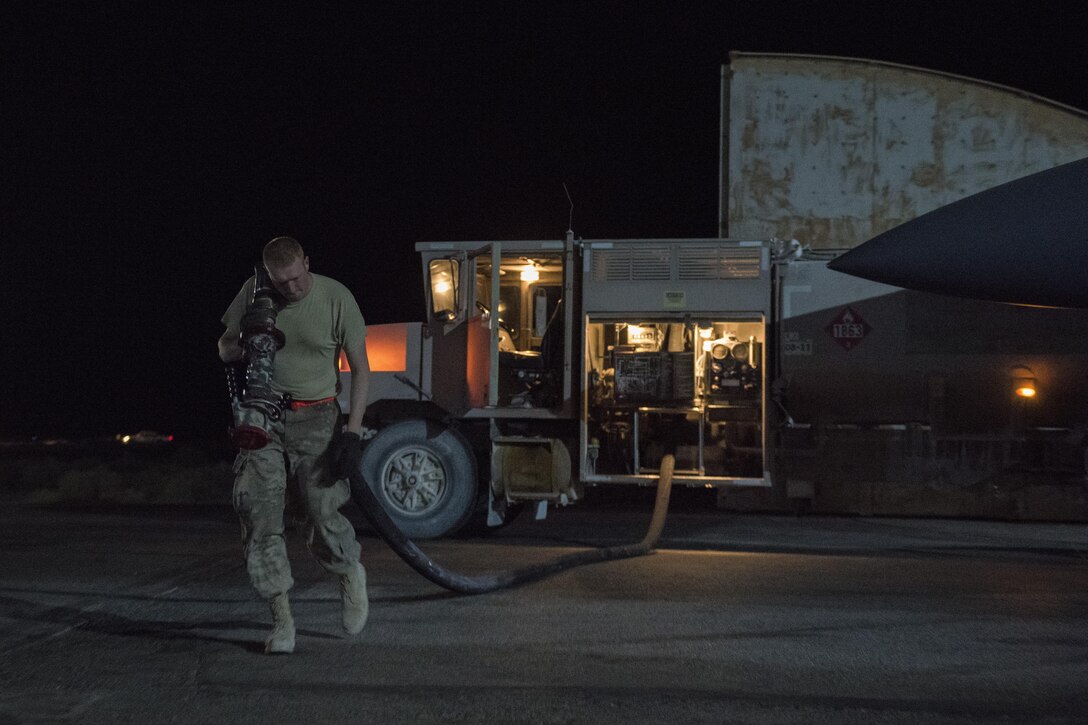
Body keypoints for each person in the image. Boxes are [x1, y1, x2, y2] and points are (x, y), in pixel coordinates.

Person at [218, 235, 370, 654]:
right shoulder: (254, 293)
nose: (292, 289)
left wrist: (353, 430)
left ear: (307, 262)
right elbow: (224, 349)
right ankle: (281, 620)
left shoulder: (336, 297)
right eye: (282, 283)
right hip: (262, 417)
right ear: (269, 275)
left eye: (297, 278)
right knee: (259, 514)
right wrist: (250, 337)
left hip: (317, 416)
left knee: (321, 511)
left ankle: (348, 573)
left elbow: (360, 368)